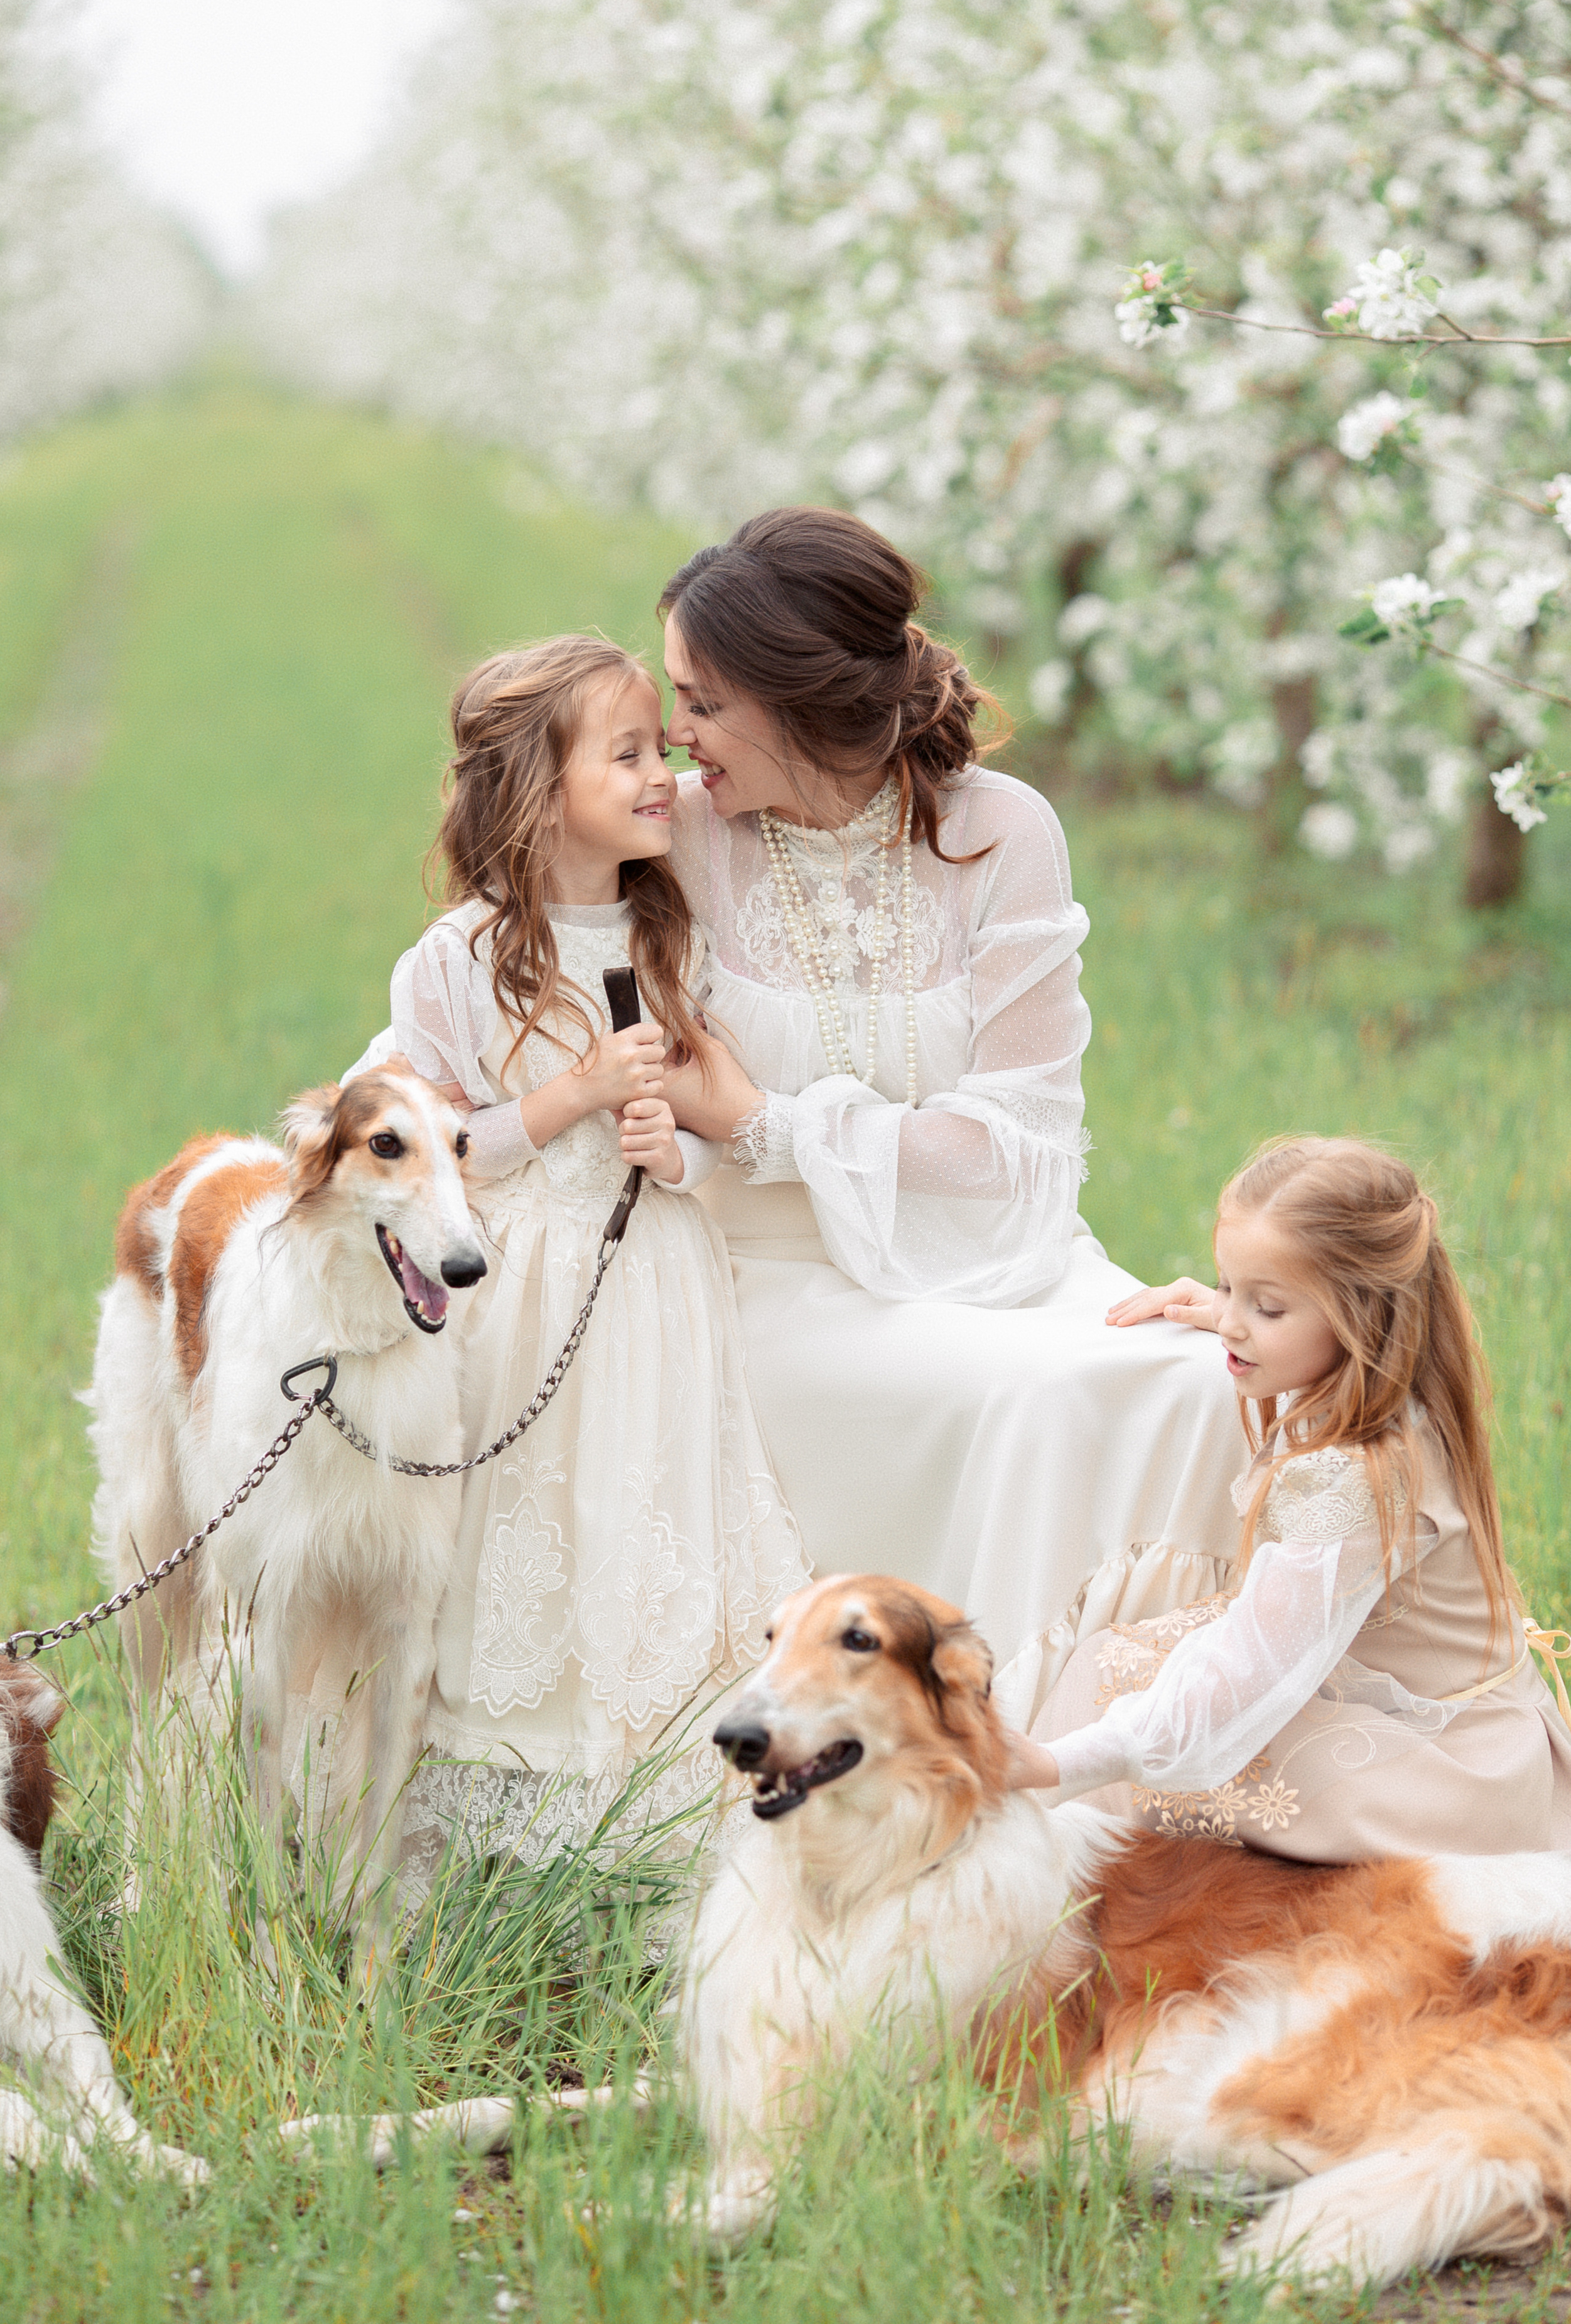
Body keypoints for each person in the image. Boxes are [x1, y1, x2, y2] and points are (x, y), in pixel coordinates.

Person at [655, 505, 1251, 1722]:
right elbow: (503, 958)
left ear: (800, 698)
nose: (680, 732)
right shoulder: (680, 836)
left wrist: (766, 1122)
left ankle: (1151, 1760)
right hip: (776, 1282)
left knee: (1193, 1381)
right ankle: (989, 1750)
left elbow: (1014, 1143)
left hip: (1003, 1257)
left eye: (704, 701)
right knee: (1030, 1393)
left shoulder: (999, 831)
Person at [347, 635, 808, 1870]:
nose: (664, 773)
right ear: (539, 792)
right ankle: (488, 1793)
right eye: (628, 753)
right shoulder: (456, 957)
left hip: (652, 1281)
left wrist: (679, 1154)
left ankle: (646, 1794)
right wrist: (571, 1095)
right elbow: (429, 1149)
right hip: (522, 1291)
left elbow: (716, 1122)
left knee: (645, 1494)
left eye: (662, 745)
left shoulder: (671, 937)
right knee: (523, 1510)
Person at [1021, 1136, 1571, 1858]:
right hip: (1468, 1731)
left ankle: (1071, 1879)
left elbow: (1252, 1671)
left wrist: (1060, 1765)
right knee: (1116, 1667)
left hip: (1460, 1782)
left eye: (1269, 1307)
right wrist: (1237, 1313)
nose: (1231, 1321)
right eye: (1225, 1287)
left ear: (1360, 1318)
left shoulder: (1360, 1476)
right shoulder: (1390, 1390)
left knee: (1123, 1708)